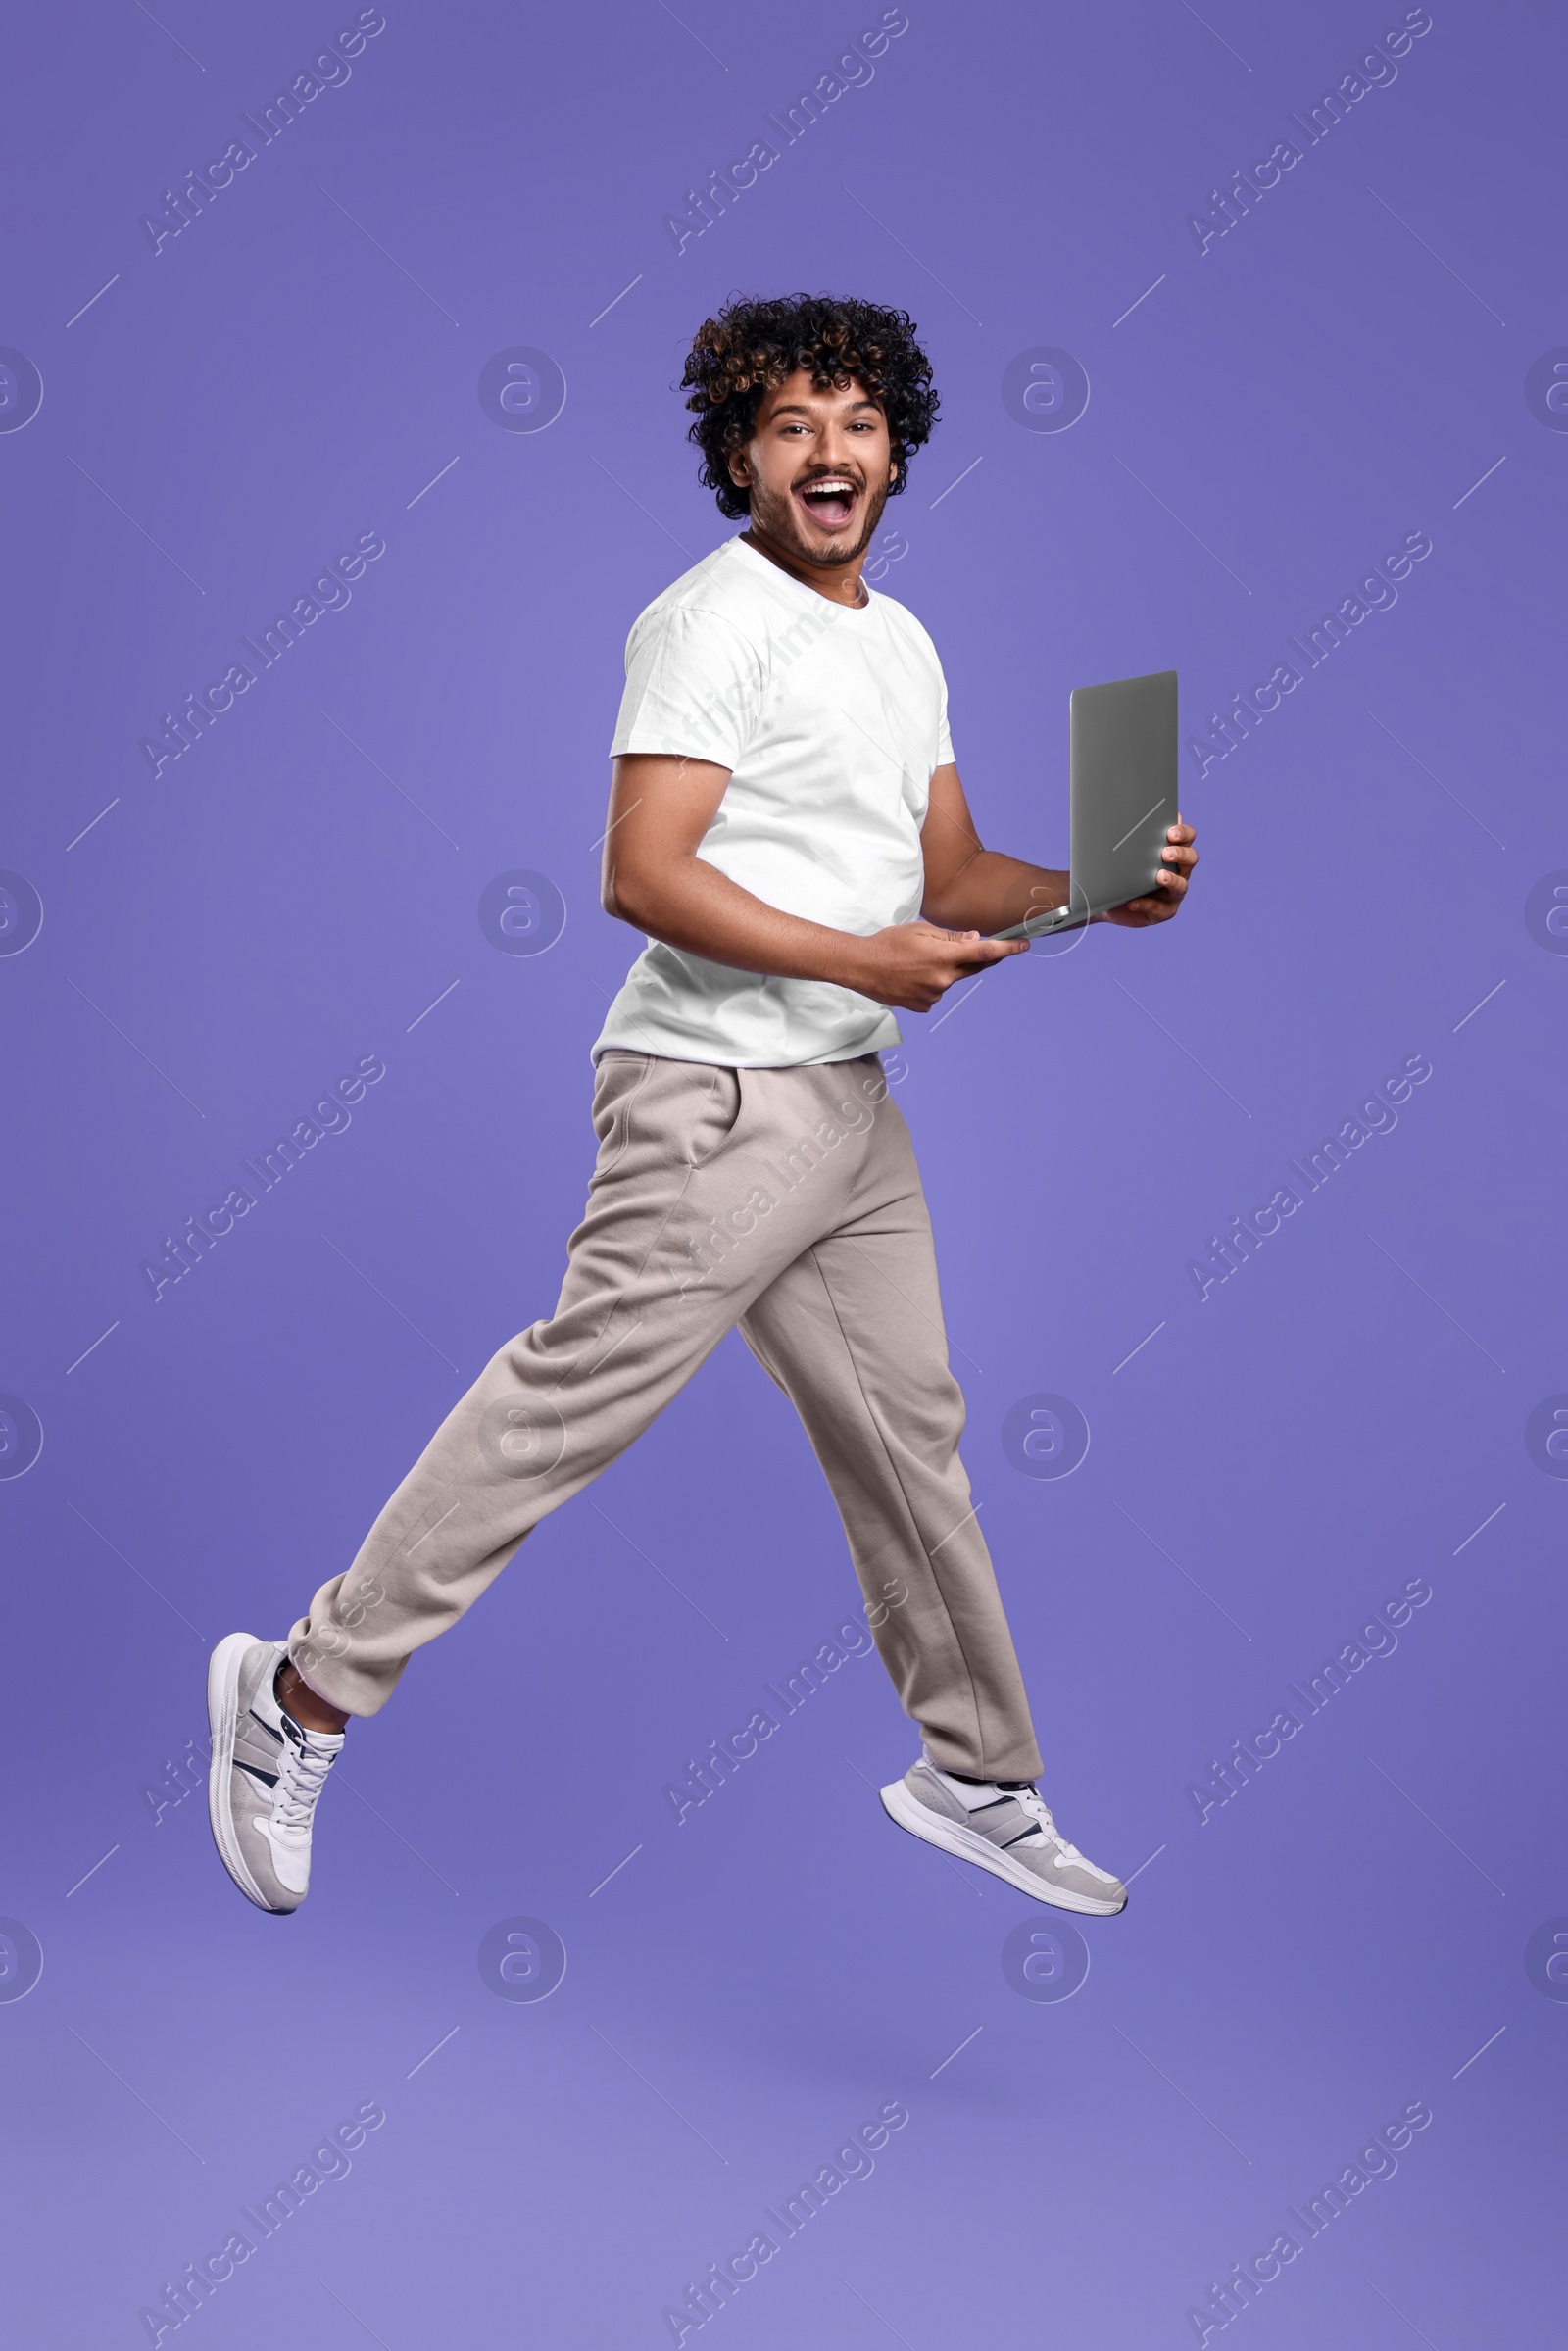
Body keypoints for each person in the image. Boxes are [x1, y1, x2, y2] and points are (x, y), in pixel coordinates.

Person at [206, 292, 1198, 1919]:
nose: (831, 452)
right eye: (794, 425)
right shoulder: (706, 618)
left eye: (860, 424)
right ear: (741, 453)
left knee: (910, 1438)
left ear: (896, 453)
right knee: (578, 1391)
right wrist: (863, 964)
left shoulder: (900, 638)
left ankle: (978, 1772)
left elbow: (950, 877)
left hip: (845, 1096)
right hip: (717, 1090)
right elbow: (638, 874)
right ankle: (298, 1693)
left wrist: (1099, 892)